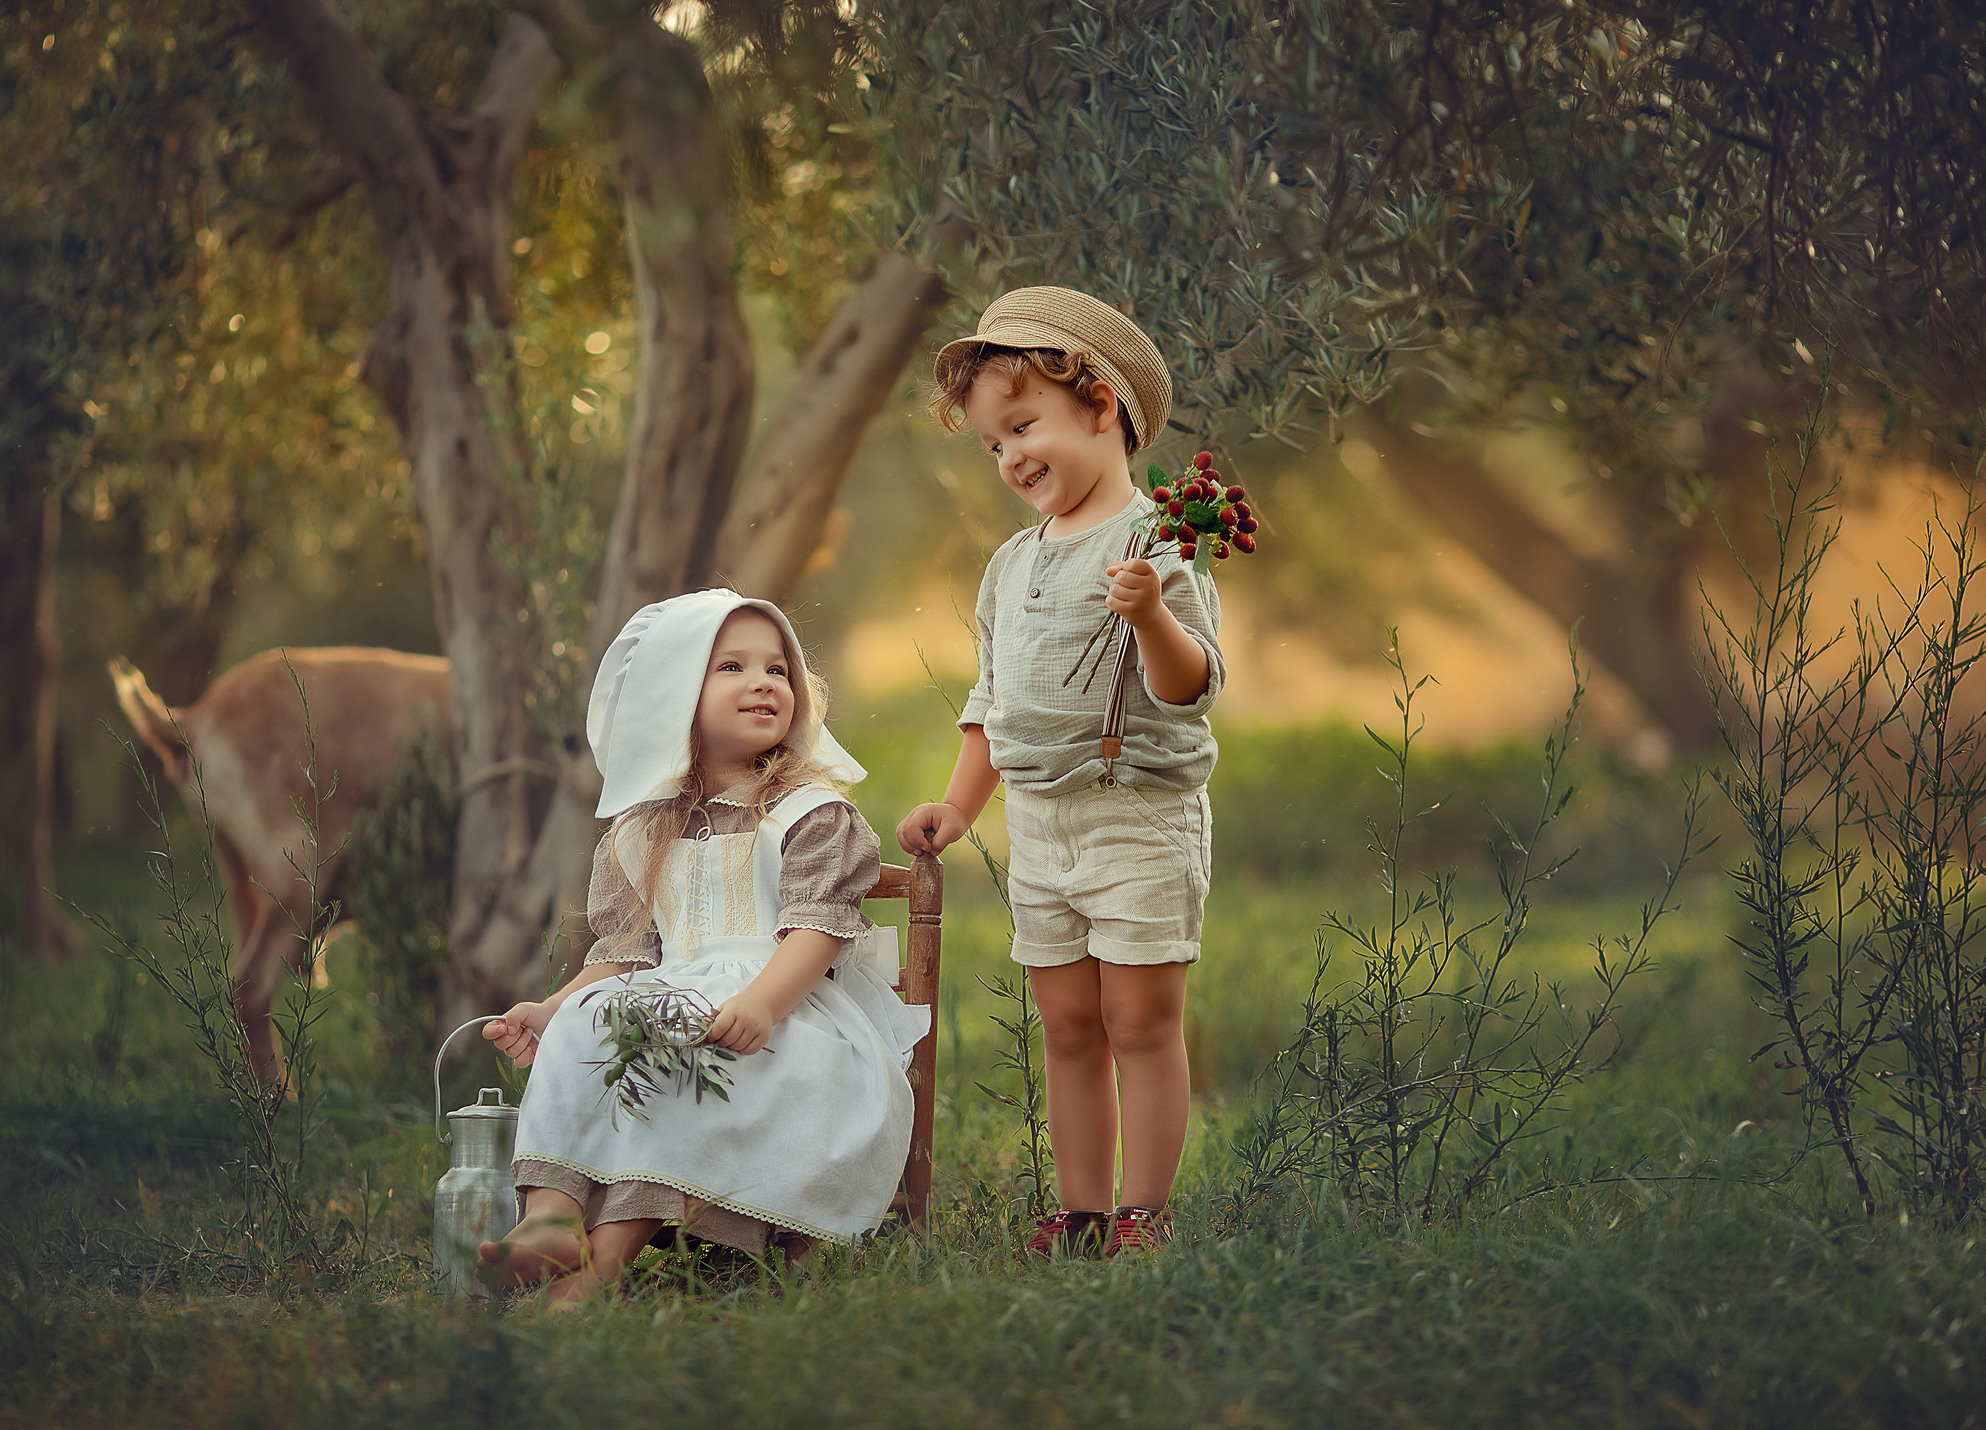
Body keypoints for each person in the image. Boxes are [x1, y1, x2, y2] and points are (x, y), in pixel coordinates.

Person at [481, 589, 927, 1304]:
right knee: (588, 1023)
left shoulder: (809, 813)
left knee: (678, 1051)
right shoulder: (639, 831)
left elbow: (815, 932)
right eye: (731, 667)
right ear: (675, 696)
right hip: (672, 993)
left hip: (787, 1013)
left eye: (777, 669)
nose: (763, 682)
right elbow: (624, 954)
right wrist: (553, 1008)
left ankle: (599, 1270)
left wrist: (761, 1000)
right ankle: (551, 1214)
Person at [898, 287, 1222, 1258]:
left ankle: (1144, 1212)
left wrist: (1151, 615)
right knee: (1069, 1020)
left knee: (1139, 1016)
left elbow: (1191, 685)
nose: (1010, 458)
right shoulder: (1012, 564)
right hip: (1041, 827)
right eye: (995, 443)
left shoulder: (1159, 537)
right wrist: (960, 806)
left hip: (1138, 818)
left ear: (1100, 404)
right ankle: (1081, 1208)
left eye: (1024, 425)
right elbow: (992, 699)